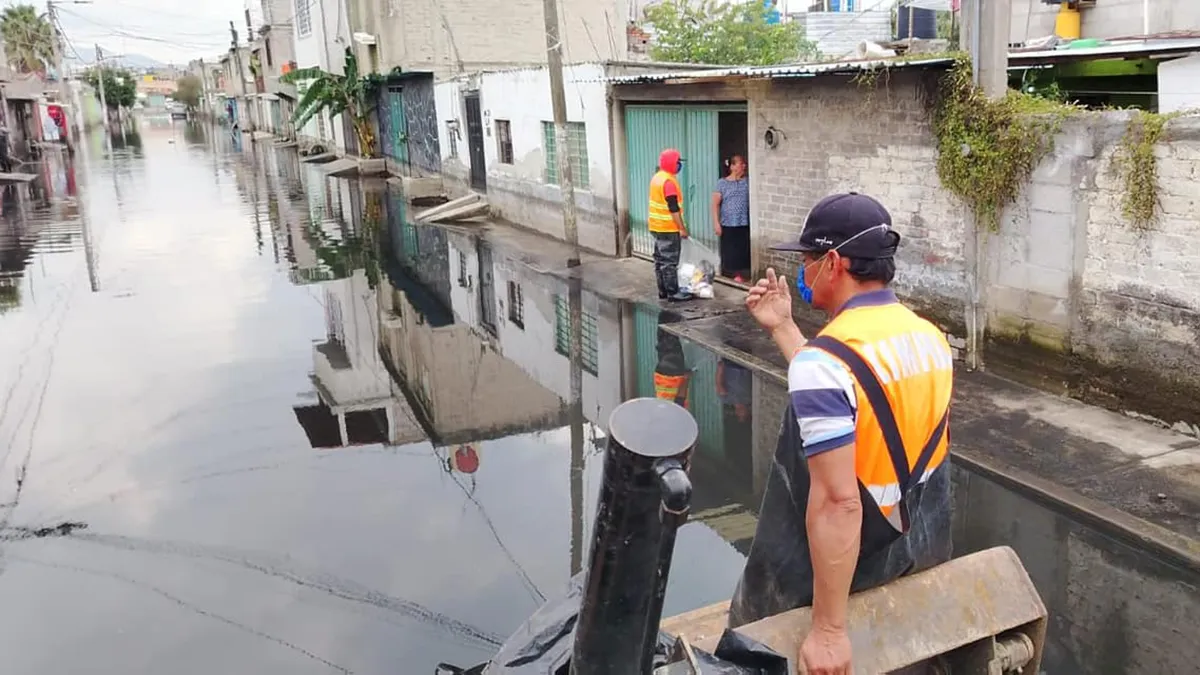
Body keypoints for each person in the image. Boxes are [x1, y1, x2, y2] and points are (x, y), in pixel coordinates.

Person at [731, 192, 954, 675]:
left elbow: (840, 503)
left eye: (808, 259)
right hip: (912, 551)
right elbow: (856, 399)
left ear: (833, 262)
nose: (803, 271)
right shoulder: (929, 338)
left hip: (842, 575)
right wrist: (784, 328)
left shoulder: (826, 362)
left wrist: (829, 632)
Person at [648, 148, 692, 302]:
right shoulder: (668, 182)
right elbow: (673, 208)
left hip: (656, 226)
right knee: (669, 262)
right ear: (671, 163)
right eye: (677, 162)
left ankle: (663, 291)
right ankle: (673, 292)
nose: (679, 165)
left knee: (659, 260)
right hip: (668, 227)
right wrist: (681, 228)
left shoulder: (657, 178)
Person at [712, 155, 751, 282]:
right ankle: (732, 274)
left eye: (744, 164)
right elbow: (715, 204)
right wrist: (716, 223)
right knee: (730, 250)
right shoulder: (722, 183)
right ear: (732, 166)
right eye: (741, 163)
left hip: (743, 222)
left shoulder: (747, 182)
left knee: (742, 249)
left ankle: (740, 274)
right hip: (728, 223)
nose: (744, 166)